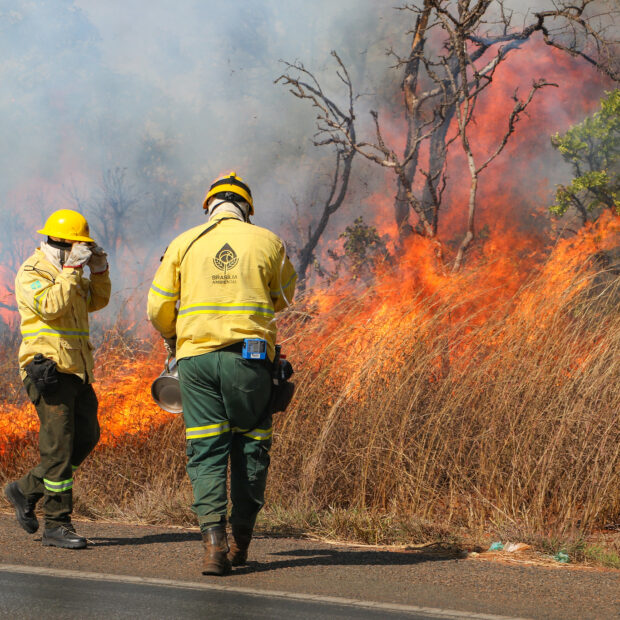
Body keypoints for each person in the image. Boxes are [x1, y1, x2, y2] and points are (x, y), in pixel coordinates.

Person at [147, 172, 296, 575]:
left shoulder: (183, 242)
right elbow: (284, 296)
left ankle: (214, 549)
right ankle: (241, 544)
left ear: (209, 206)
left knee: (206, 452)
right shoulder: (268, 241)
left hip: (194, 363)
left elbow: (158, 306)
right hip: (248, 361)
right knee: (250, 447)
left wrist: (174, 335)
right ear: (247, 208)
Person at [4, 209, 110, 549]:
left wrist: (99, 270)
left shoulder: (70, 271)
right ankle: (56, 524)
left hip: (77, 369)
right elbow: (51, 306)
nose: (82, 251)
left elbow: (96, 301)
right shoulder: (33, 271)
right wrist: (70, 270)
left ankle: (24, 489)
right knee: (59, 448)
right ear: (61, 243)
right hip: (47, 369)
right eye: (79, 246)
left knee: (88, 435)